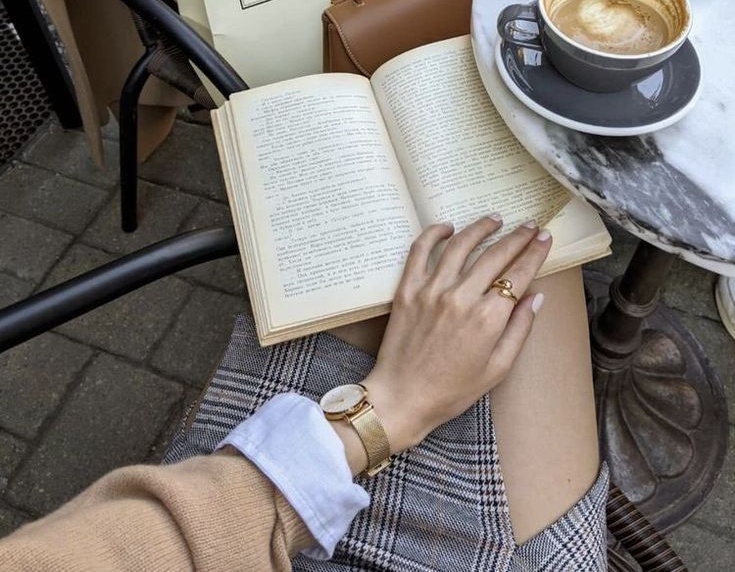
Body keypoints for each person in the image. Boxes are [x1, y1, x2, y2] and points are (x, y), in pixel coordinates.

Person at [0, 217, 606, 570]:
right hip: (258, 513)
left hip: (238, 510)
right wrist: (392, 408)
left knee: (417, 269)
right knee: (526, 241)